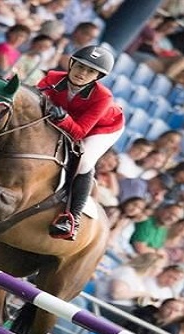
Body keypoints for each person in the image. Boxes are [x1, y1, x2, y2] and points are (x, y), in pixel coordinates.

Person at [37, 45, 125, 240]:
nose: (82, 73)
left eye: (90, 71)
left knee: (84, 161)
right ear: (71, 64)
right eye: (79, 66)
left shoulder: (103, 96)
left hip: (103, 128)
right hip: (66, 121)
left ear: (97, 77)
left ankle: (71, 218)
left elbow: (79, 133)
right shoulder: (52, 78)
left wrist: (62, 119)